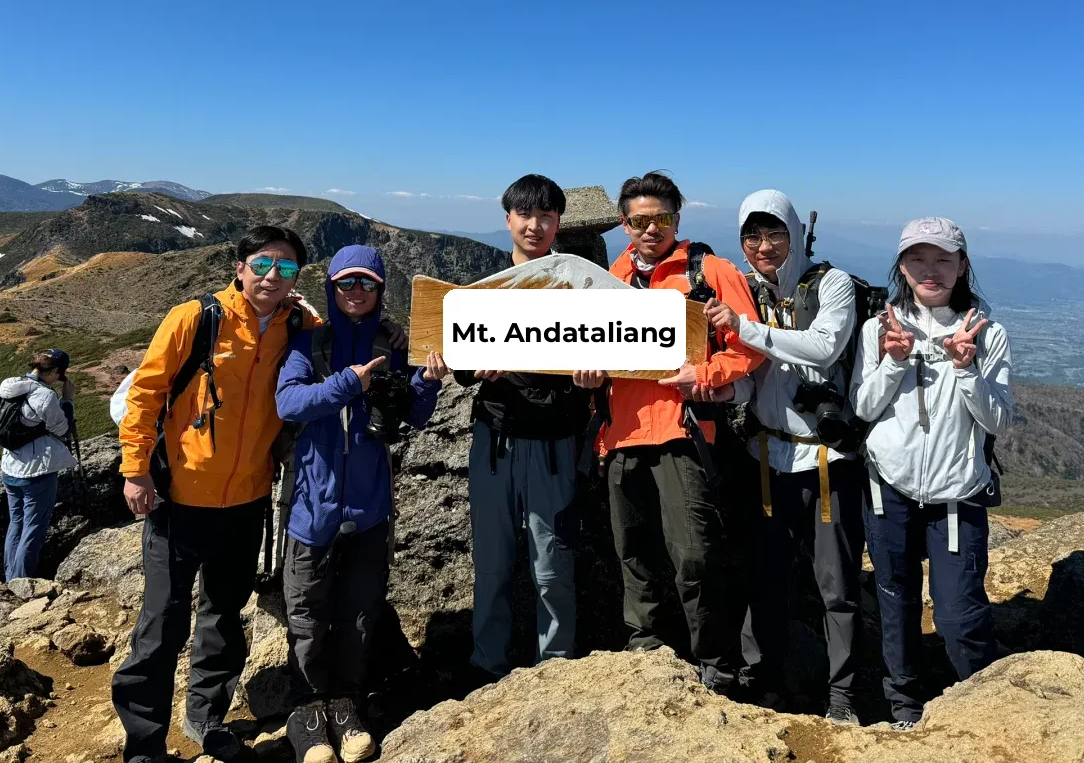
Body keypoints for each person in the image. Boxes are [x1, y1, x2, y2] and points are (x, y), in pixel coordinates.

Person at [112, 225, 316, 763]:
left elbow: (336, 338)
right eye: (264, 263)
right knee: (161, 626)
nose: (274, 275)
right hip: (178, 500)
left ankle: (206, 718)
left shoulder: (298, 325)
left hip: (247, 500)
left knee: (224, 618)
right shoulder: (195, 318)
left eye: (288, 268)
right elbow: (145, 395)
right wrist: (136, 472)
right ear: (240, 266)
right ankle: (145, 744)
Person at [593, 171, 763, 696]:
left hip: (682, 433)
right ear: (624, 224)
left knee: (695, 555)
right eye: (639, 220)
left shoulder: (708, 271)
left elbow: (752, 345)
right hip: (621, 434)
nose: (650, 229)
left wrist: (705, 376)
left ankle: (715, 663)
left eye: (660, 219)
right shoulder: (611, 277)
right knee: (634, 553)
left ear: (676, 220)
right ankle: (645, 651)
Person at [276, 245, 446, 763]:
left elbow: (413, 417)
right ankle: (308, 710)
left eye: (366, 284)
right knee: (306, 610)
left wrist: (426, 381)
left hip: (370, 507)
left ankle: (347, 705)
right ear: (331, 287)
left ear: (379, 289)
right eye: (347, 283)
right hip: (312, 506)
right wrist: (350, 381)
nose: (356, 293)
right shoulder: (309, 344)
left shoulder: (394, 344)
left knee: (358, 612)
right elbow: (289, 402)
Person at [704, 190, 865, 722]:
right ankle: (762, 679)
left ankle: (842, 696)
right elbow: (755, 378)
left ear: (795, 234)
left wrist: (742, 326)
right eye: (752, 235)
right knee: (765, 578)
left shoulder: (832, 284)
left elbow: (823, 347)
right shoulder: (750, 292)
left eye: (775, 233)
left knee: (836, 586)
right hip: (767, 458)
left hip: (825, 463)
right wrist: (725, 392)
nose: (763, 245)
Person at [851, 217, 1013, 729]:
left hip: (956, 495)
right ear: (902, 265)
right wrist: (893, 362)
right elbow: (863, 406)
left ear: (963, 265)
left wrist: (966, 369)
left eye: (944, 258)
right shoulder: (879, 329)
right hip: (888, 489)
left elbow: (999, 422)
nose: (931, 270)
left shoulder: (987, 333)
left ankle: (980, 706)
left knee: (958, 615)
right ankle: (904, 706)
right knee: (895, 604)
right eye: (918, 258)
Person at [453, 174, 598, 684]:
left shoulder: (584, 292)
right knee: (492, 562)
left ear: (560, 222)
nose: (535, 225)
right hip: (495, 441)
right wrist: (475, 368)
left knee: (552, 564)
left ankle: (555, 668)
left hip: (556, 442)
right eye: (525, 215)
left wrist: (590, 381)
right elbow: (461, 363)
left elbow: (609, 356)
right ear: (508, 220)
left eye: (546, 216)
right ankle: (485, 665)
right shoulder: (489, 290)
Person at [0, 348, 78, 582]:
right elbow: (62, 429)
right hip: (36, 470)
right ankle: (21, 582)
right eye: (60, 375)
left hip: (10, 465)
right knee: (33, 527)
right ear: (52, 371)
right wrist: (68, 400)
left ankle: (10, 576)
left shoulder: (9, 386)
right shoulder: (44, 396)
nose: (60, 379)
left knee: (17, 523)